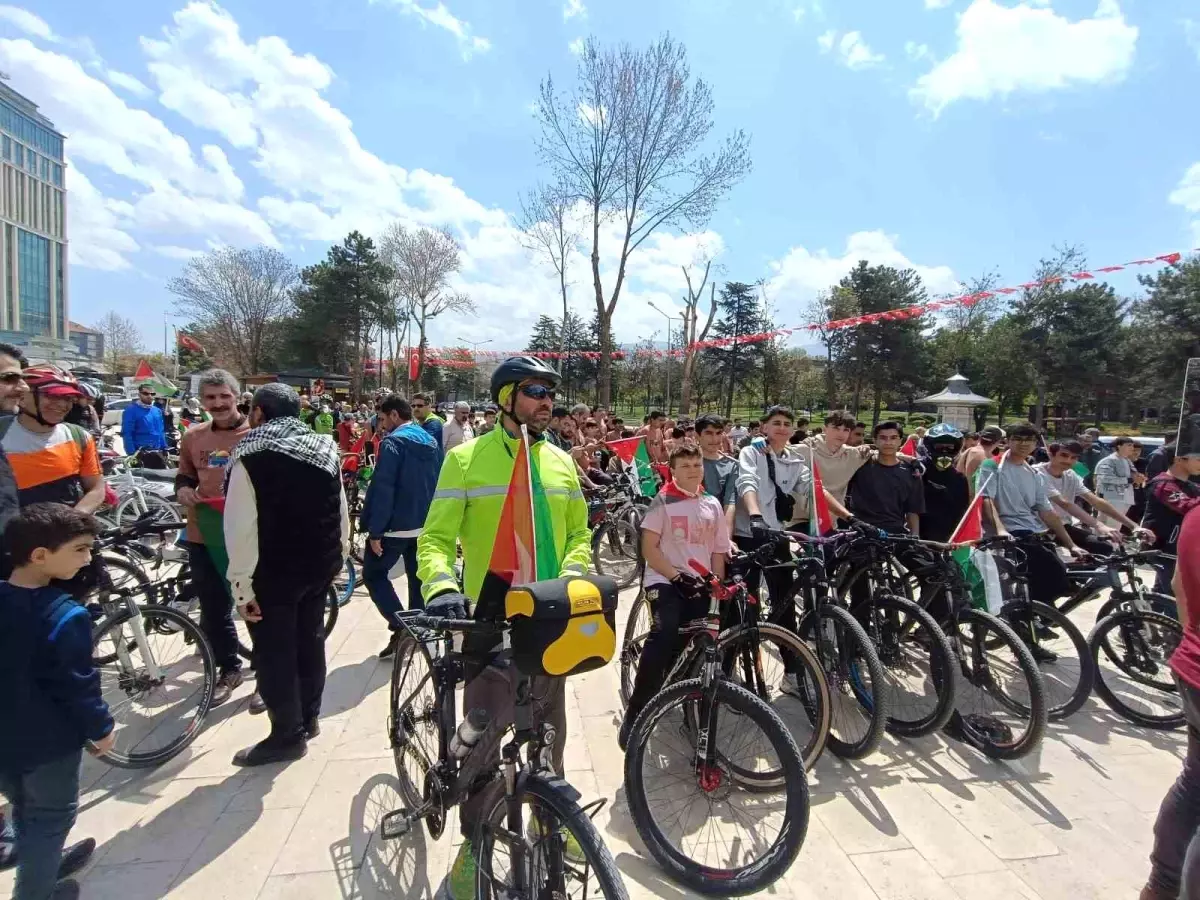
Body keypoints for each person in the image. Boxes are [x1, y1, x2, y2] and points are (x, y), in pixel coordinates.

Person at [416, 356, 590, 900]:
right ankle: (474, 842)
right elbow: (435, 540)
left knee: (549, 730)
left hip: (549, 621)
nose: (547, 401)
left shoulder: (560, 461)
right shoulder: (465, 459)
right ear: (505, 398)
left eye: (550, 392)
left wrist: (574, 579)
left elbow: (579, 535)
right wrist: (441, 588)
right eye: (535, 390)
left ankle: (550, 816)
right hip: (487, 621)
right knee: (484, 743)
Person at [224, 384, 349, 766]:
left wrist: (241, 585)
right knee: (310, 642)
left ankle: (286, 736)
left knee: (274, 653)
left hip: (274, 573)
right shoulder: (324, 449)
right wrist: (340, 556)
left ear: (259, 413)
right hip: (318, 567)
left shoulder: (250, 454)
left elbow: (240, 527)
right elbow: (341, 510)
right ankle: (308, 719)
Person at [0, 503, 114, 900]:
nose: (88, 558)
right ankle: (36, 890)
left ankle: (41, 866)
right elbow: (78, 685)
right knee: (51, 817)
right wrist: (101, 727)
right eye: (80, 549)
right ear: (40, 555)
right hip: (48, 744)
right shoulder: (65, 615)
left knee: (24, 807)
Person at [620, 443, 730, 748]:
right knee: (665, 631)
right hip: (665, 578)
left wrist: (716, 583)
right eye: (685, 466)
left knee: (700, 642)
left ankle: (688, 707)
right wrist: (676, 577)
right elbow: (649, 548)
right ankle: (636, 711)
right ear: (673, 471)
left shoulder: (712, 504)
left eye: (697, 464)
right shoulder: (663, 501)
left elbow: (718, 550)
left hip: (700, 581)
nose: (693, 470)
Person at [736, 406, 850, 693]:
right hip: (747, 535)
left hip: (776, 535)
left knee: (784, 604)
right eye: (776, 422)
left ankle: (791, 674)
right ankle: (731, 675)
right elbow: (747, 482)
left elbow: (815, 490)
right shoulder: (752, 452)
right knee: (742, 608)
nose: (782, 427)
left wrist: (849, 517)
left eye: (787, 423)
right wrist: (755, 516)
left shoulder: (795, 460)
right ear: (764, 427)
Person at [175, 370, 252, 708]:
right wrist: (183, 490)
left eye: (224, 396)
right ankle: (229, 668)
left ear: (237, 397)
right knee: (213, 607)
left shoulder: (257, 434)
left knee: (255, 604)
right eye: (210, 397)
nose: (218, 403)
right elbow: (184, 475)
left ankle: (267, 670)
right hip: (203, 534)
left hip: (247, 537)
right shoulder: (193, 437)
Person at [978, 422, 1087, 650]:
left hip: (1032, 531)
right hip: (1007, 533)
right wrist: (1000, 529)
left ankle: (1032, 622)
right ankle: (1027, 627)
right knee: (1047, 574)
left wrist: (1070, 544)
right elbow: (986, 500)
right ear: (1008, 441)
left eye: (1029, 440)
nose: (1023, 444)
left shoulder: (1034, 473)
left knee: (1058, 578)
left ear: (1036, 444)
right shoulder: (992, 466)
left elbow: (1046, 511)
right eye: (1018, 438)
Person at [1141, 501, 1200, 900]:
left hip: (1191, 665)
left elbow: (1180, 585)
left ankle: (1161, 886)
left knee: (1194, 784)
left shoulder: (1195, 513)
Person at [361, 395, 440, 657]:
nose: (381, 425)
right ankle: (415, 629)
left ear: (394, 415)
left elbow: (384, 488)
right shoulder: (430, 440)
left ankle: (402, 626)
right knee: (417, 579)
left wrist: (375, 530)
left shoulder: (393, 443)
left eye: (383, 419)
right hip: (424, 523)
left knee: (373, 574)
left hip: (394, 527)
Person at [1, 367, 105, 515]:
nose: (62, 405)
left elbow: (96, 489)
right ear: (22, 398)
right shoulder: (3, 434)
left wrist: (71, 520)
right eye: (51, 395)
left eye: (68, 398)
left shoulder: (79, 436)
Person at [1035, 441, 1153, 556]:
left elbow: (1095, 501)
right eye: (1064, 455)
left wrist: (1134, 526)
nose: (1068, 460)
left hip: (1062, 525)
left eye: (1074, 457)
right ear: (1051, 454)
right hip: (1036, 527)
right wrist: (1100, 526)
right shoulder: (1037, 473)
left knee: (1103, 548)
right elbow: (1064, 503)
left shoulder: (1070, 474)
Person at [847, 422, 925, 535]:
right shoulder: (860, 464)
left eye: (893, 438)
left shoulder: (912, 472)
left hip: (895, 535)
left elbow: (913, 510)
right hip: (860, 531)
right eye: (883, 438)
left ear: (900, 441)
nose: (888, 442)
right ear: (874, 440)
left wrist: (915, 537)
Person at [1143, 449, 1200, 595]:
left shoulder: (1190, 486)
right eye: (1198, 459)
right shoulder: (1163, 484)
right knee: (1178, 594)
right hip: (1164, 547)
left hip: (1179, 547)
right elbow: (1187, 507)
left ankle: (1152, 609)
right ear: (1178, 459)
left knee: (1163, 593)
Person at [802, 410, 875, 511]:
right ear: (824, 429)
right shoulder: (804, 450)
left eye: (846, 430)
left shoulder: (855, 454)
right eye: (836, 428)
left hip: (835, 517)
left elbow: (887, 454)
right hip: (801, 517)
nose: (841, 433)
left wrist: (867, 447)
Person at [917, 424, 971, 543]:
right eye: (939, 446)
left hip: (948, 541)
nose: (944, 451)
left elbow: (963, 511)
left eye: (950, 447)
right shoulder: (917, 471)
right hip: (917, 540)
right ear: (929, 446)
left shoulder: (960, 478)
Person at [697, 414, 737, 534]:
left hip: (716, 528)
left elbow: (730, 503)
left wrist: (726, 538)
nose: (714, 439)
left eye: (718, 433)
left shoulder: (732, 465)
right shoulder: (686, 461)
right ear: (697, 435)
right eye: (709, 433)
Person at [1093, 437, 1139, 527]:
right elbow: (1105, 478)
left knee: (1113, 526)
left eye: (1132, 446)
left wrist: (1138, 478)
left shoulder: (1127, 460)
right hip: (1111, 498)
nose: (1132, 448)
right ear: (1119, 446)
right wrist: (1130, 480)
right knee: (1111, 526)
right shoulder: (1108, 460)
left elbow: (1132, 476)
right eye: (1129, 445)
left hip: (1125, 498)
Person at [120, 385, 167, 457]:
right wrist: (132, 454)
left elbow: (160, 431)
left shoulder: (157, 411)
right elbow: (127, 433)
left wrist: (164, 448)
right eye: (146, 393)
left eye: (152, 394)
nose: (149, 396)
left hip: (157, 452)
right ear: (139, 394)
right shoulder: (130, 410)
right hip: (140, 453)